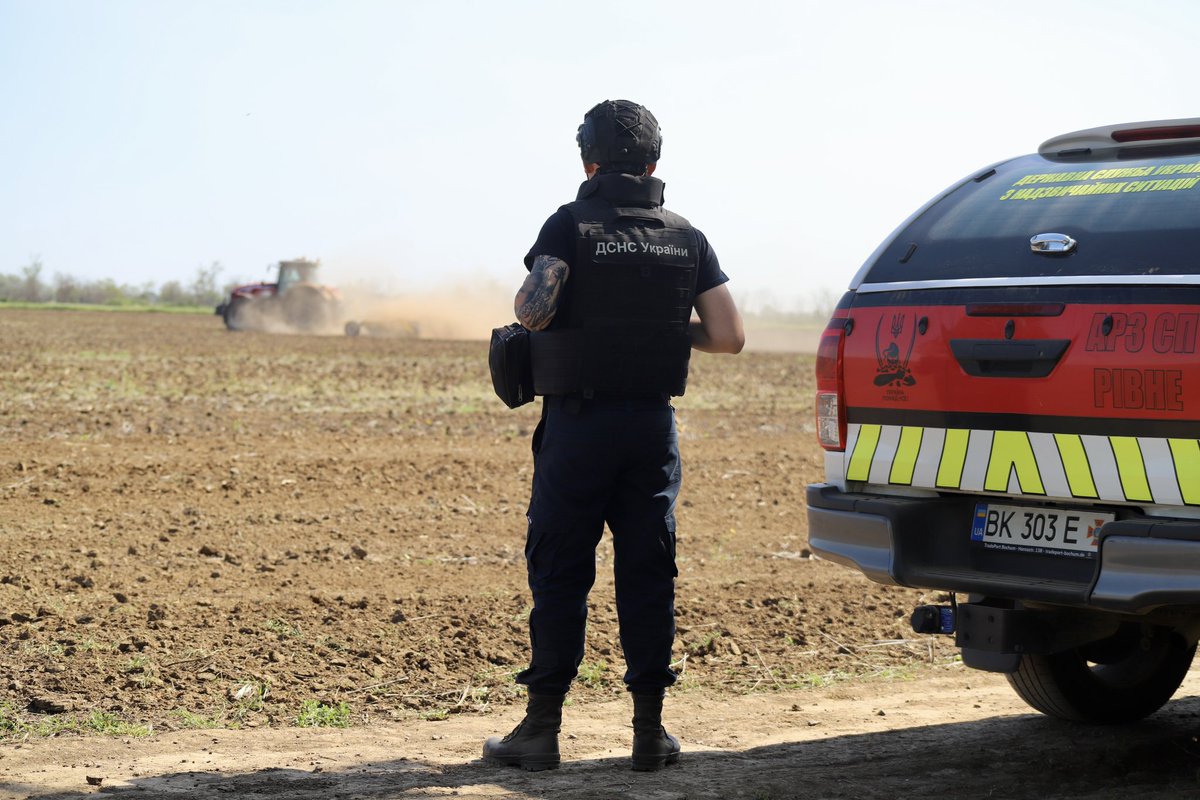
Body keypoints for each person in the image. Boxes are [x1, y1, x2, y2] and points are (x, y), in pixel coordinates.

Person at [483, 99, 744, 772]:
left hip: (579, 429)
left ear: (587, 160)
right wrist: (655, 328)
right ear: (655, 162)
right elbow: (729, 336)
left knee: (561, 572)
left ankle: (540, 733)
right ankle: (650, 736)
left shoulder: (569, 225)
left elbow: (532, 310)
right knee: (648, 574)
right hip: (650, 430)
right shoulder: (688, 236)